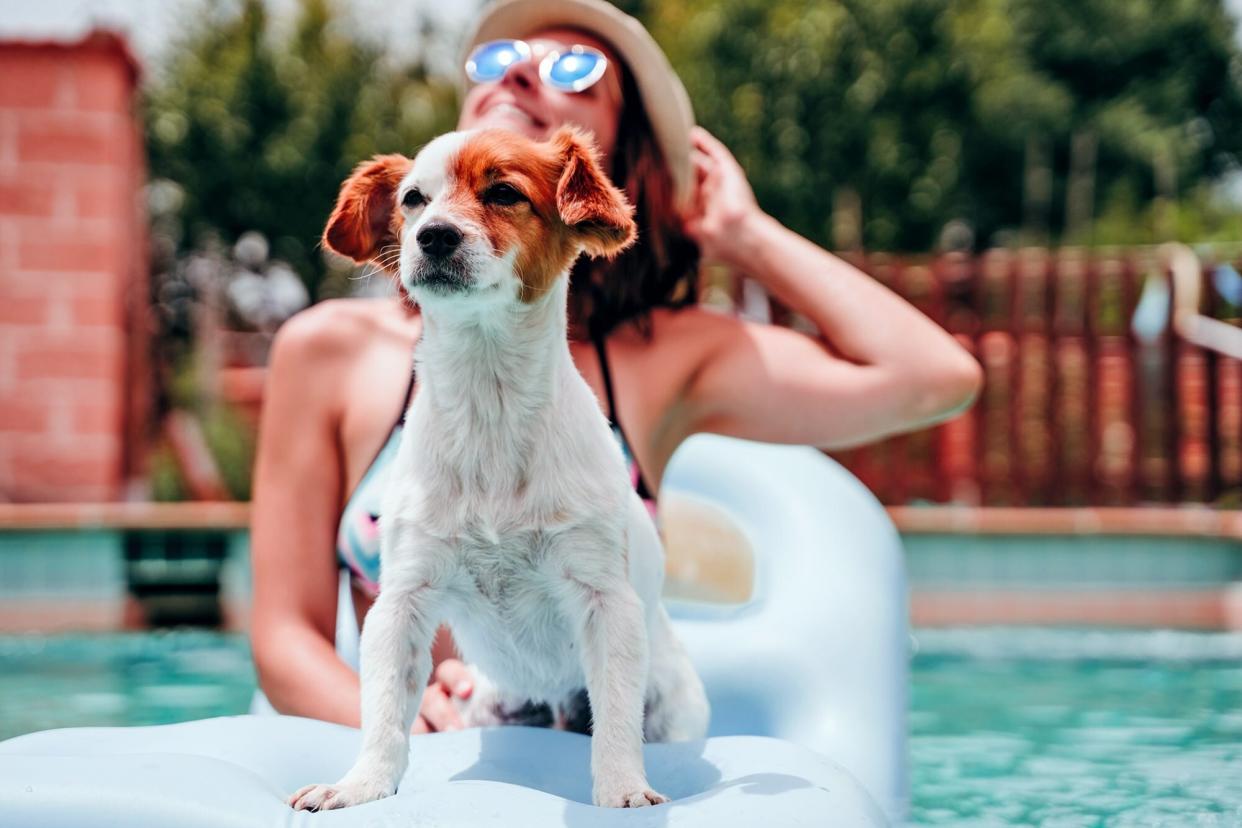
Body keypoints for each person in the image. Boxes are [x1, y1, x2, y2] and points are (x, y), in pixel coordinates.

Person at [249, 0, 982, 734]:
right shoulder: (330, 351)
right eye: (496, 63)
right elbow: (285, 639)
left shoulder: (665, 359)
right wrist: (405, 732)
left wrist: (749, 236)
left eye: (576, 69)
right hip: (422, 769)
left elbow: (936, 378)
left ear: (607, 164)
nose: (523, 73)